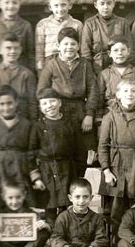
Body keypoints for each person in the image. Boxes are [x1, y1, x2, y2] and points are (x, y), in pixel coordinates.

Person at [98, 79, 135, 240]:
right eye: (125, 91)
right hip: (115, 167)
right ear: (118, 94)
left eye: (133, 91)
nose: (129, 94)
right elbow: (102, 146)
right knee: (115, 211)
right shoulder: (109, 117)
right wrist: (106, 170)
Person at [37, 27, 98, 175]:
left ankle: (80, 187)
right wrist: (50, 110)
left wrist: (89, 114)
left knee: (82, 152)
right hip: (59, 111)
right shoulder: (51, 64)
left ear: (78, 46)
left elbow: (93, 90)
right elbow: (41, 90)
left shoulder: (84, 64)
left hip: (80, 112)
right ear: (59, 46)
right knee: (62, 149)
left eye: (73, 44)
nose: (69, 47)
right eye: (65, 44)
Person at [28, 88, 79, 226]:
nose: (49, 105)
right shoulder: (38, 127)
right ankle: (51, 236)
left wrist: (77, 174)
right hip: (47, 171)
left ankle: (66, 236)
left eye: (52, 101)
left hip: (67, 169)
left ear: (60, 102)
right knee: (49, 205)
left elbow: (78, 150)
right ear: (40, 107)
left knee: (67, 206)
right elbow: (31, 154)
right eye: (44, 103)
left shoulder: (70, 123)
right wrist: (36, 178)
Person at [50, 178, 115, 247]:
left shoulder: (96, 218)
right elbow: (56, 238)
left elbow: (101, 238)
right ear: (70, 198)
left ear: (91, 197)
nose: (81, 201)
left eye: (85, 197)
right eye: (77, 197)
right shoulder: (63, 217)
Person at [0, 85, 33, 211]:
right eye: (2, 104)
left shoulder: (26, 124)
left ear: (16, 103)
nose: (6, 107)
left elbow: (30, 148)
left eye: (10, 103)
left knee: (18, 195)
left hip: (18, 164)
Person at [0, 32, 38, 122]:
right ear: (0, 50)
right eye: (8, 48)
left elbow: (32, 103)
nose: (12, 51)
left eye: (16, 48)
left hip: (22, 123)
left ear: (20, 50)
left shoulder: (27, 74)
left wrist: (32, 123)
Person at [97, 35, 135, 117]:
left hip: (134, 115)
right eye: (115, 50)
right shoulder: (104, 74)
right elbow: (99, 99)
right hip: (110, 115)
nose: (120, 53)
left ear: (129, 51)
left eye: (123, 49)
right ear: (109, 53)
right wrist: (99, 118)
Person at [81, 0, 130, 75]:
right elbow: (85, 51)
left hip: (119, 65)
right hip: (97, 67)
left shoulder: (123, 23)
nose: (106, 7)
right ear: (96, 5)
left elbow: (129, 47)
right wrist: (89, 72)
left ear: (114, 4)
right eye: (102, 3)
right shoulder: (89, 24)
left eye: (109, 3)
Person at [35, 0, 83, 72]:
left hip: (70, 63)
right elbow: (39, 50)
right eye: (56, 5)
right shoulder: (42, 25)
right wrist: (40, 70)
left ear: (70, 5)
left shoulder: (77, 25)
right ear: (50, 7)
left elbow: (81, 48)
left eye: (63, 5)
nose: (60, 9)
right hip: (49, 63)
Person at [0, 0, 35, 71]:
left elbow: (30, 54)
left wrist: (31, 72)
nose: (10, 6)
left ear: (19, 3)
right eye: (7, 2)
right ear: (0, 4)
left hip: (21, 69)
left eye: (14, 2)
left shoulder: (26, 26)